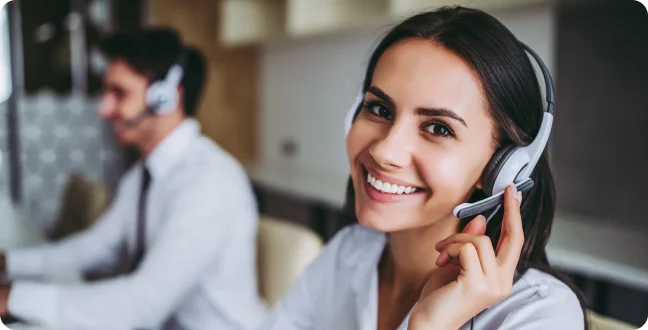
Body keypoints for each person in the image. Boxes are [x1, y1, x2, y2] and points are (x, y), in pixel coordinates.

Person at [258, 6, 587, 330]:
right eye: (379, 108)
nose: (386, 150)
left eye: (439, 128)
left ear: (504, 167)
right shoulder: (349, 253)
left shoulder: (539, 315)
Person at [0, 27, 267, 330]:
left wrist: (13, 300)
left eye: (119, 93)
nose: (104, 109)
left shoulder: (208, 183)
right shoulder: (145, 174)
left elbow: (142, 304)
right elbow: (94, 249)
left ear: (165, 97)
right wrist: (8, 263)